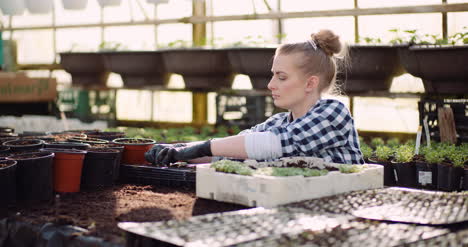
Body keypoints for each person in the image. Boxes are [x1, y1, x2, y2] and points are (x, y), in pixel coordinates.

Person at [145, 29, 365, 165]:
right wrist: (177, 150)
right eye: (273, 76)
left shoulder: (333, 113)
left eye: (281, 77)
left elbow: (275, 144)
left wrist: (200, 147)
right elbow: (230, 152)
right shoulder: (278, 122)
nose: (270, 85)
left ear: (310, 83)